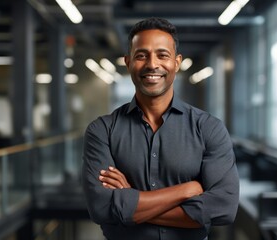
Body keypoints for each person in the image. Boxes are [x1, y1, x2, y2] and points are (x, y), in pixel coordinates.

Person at [82, 17, 239, 240]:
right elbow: (101, 207)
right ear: (128, 63)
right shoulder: (102, 131)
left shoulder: (208, 129)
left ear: (176, 62)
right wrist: (185, 191)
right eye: (141, 55)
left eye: (162, 55)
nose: (152, 64)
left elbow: (224, 207)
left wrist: (130, 201)